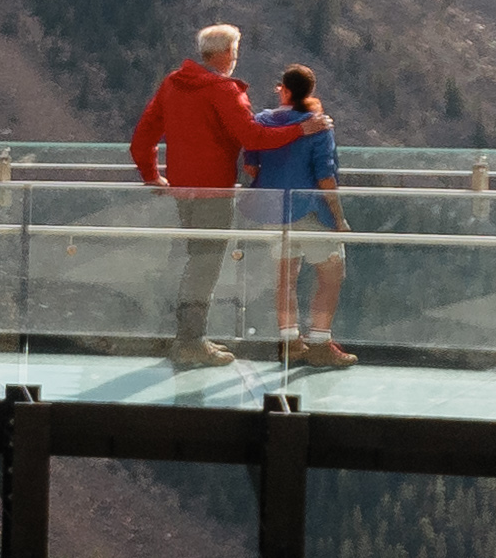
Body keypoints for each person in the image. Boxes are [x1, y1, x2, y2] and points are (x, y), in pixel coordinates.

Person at [127, 21, 266, 369]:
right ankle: (190, 342)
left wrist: (153, 176)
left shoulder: (174, 84)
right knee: (205, 266)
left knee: (194, 261)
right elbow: (254, 137)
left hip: (181, 190)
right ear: (225, 54)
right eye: (234, 52)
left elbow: (141, 140)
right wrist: (302, 129)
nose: (236, 58)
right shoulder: (222, 90)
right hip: (214, 193)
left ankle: (191, 337)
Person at [250, 60, 351, 366]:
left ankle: (289, 340)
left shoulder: (262, 121)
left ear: (284, 89)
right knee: (331, 274)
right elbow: (325, 177)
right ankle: (320, 342)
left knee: (285, 278)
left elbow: (250, 165)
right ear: (310, 91)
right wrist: (338, 217)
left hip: (274, 211)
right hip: (311, 213)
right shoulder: (319, 126)